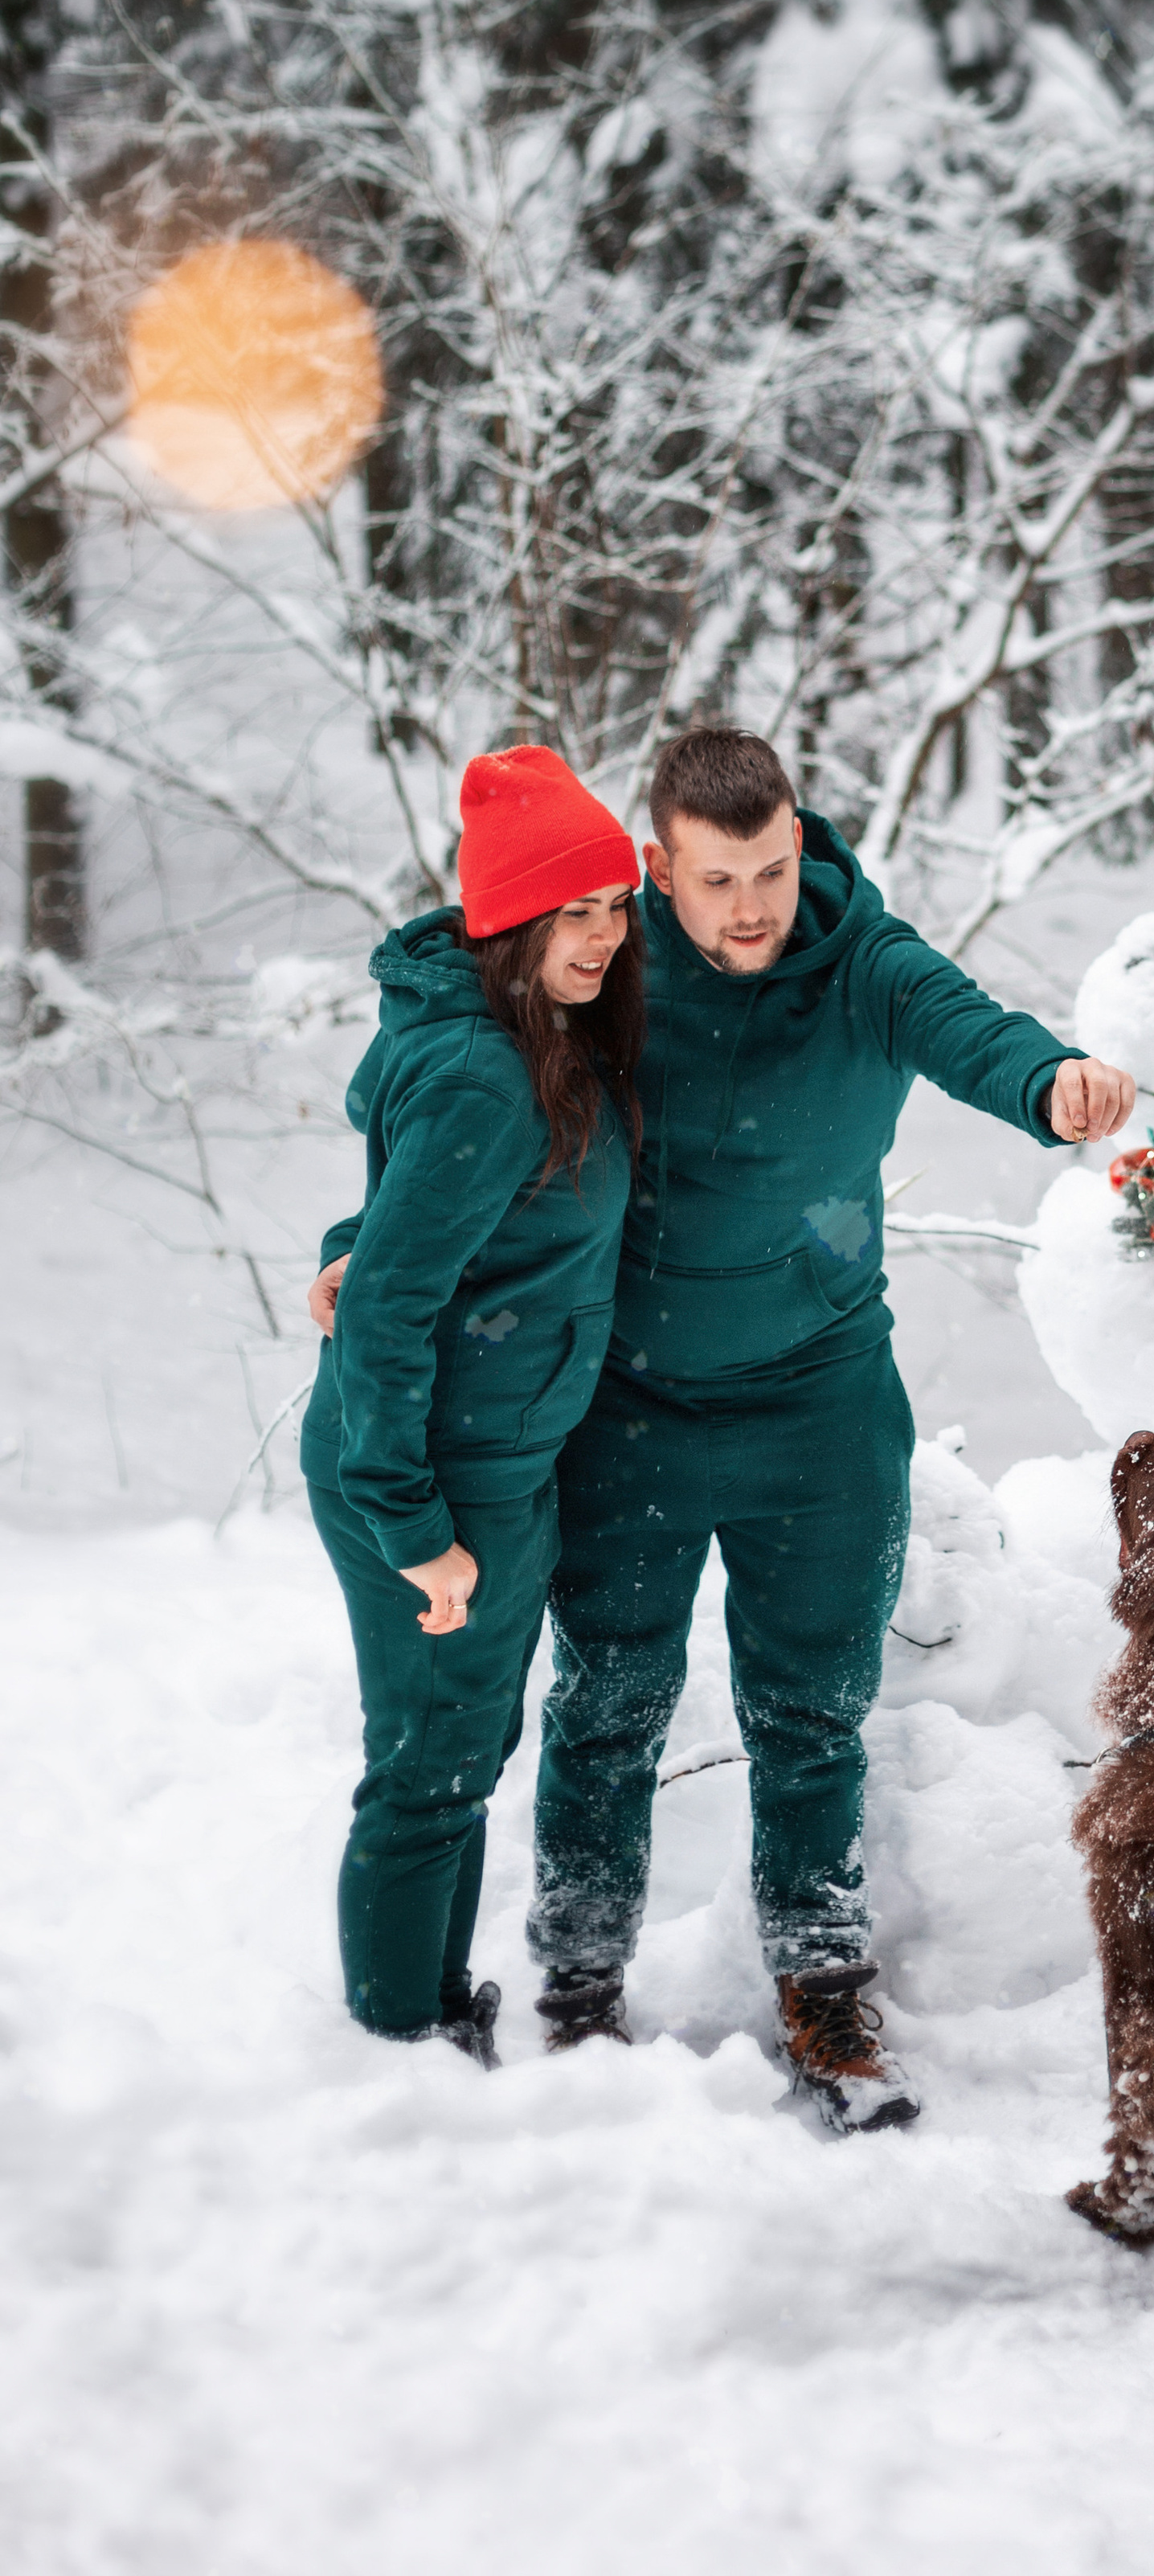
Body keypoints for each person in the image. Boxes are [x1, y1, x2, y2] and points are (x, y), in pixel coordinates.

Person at [523, 726, 1136, 2127]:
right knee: (606, 1705)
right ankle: (575, 1984)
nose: (753, 906)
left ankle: (823, 1983)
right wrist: (355, 1244)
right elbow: (460, 1105)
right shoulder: (605, 969)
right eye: (718, 877)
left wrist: (1056, 1084)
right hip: (633, 1411)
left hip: (820, 1406)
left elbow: (971, 1028)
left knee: (811, 1719)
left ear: (806, 844)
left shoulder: (862, 960)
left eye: (776, 869)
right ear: (656, 867)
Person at [301, 747, 641, 2064]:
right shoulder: (487, 1078)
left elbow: (396, 1233)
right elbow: (387, 1306)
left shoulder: (520, 1040)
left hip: (487, 1453)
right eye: (577, 910)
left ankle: (435, 2009)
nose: (605, 936)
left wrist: (354, 1242)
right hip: (434, 1472)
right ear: (506, 920)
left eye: (616, 905)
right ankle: (401, 2043)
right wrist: (411, 1525)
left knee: (456, 1751)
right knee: (430, 1766)